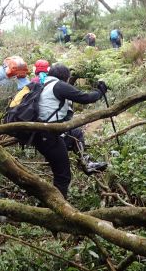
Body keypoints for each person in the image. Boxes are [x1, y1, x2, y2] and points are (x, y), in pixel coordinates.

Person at [32, 64, 108, 198]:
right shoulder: (58, 85)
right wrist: (100, 92)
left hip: (42, 134)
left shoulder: (43, 85)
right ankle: (57, 209)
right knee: (63, 176)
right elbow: (84, 98)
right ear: (64, 77)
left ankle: (86, 163)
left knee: (76, 133)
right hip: (50, 136)